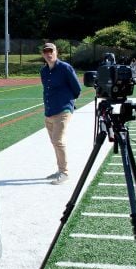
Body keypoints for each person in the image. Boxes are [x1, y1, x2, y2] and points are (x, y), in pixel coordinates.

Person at [39, 42, 82, 185]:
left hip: (63, 109)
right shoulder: (43, 71)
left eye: (51, 51)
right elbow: (47, 90)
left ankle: (64, 172)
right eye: (45, 52)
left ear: (56, 52)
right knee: (54, 142)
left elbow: (77, 89)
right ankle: (60, 170)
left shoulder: (65, 68)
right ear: (43, 54)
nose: (48, 54)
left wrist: (67, 103)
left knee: (58, 140)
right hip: (49, 111)